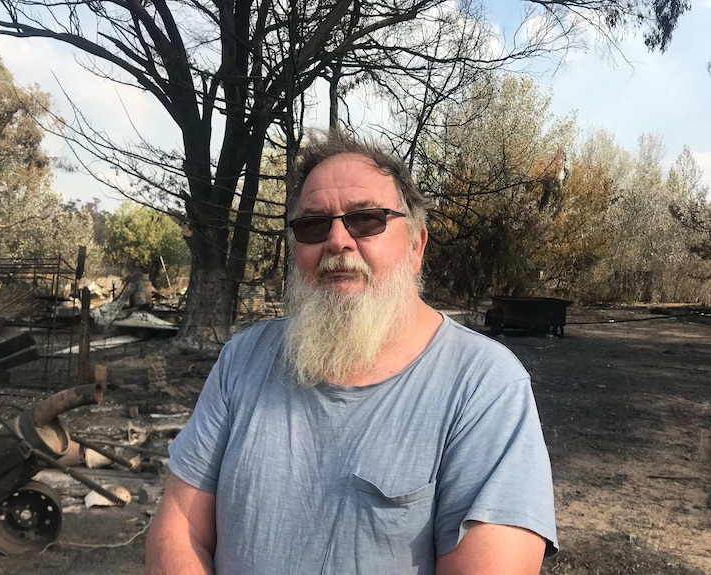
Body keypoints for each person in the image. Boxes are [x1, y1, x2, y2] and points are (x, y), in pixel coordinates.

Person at [145, 130, 558, 574]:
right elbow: (180, 524)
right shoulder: (242, 360)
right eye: (313, 225)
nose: (337, 241)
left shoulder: (484, 386)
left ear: (417, 245)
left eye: (366, 220)